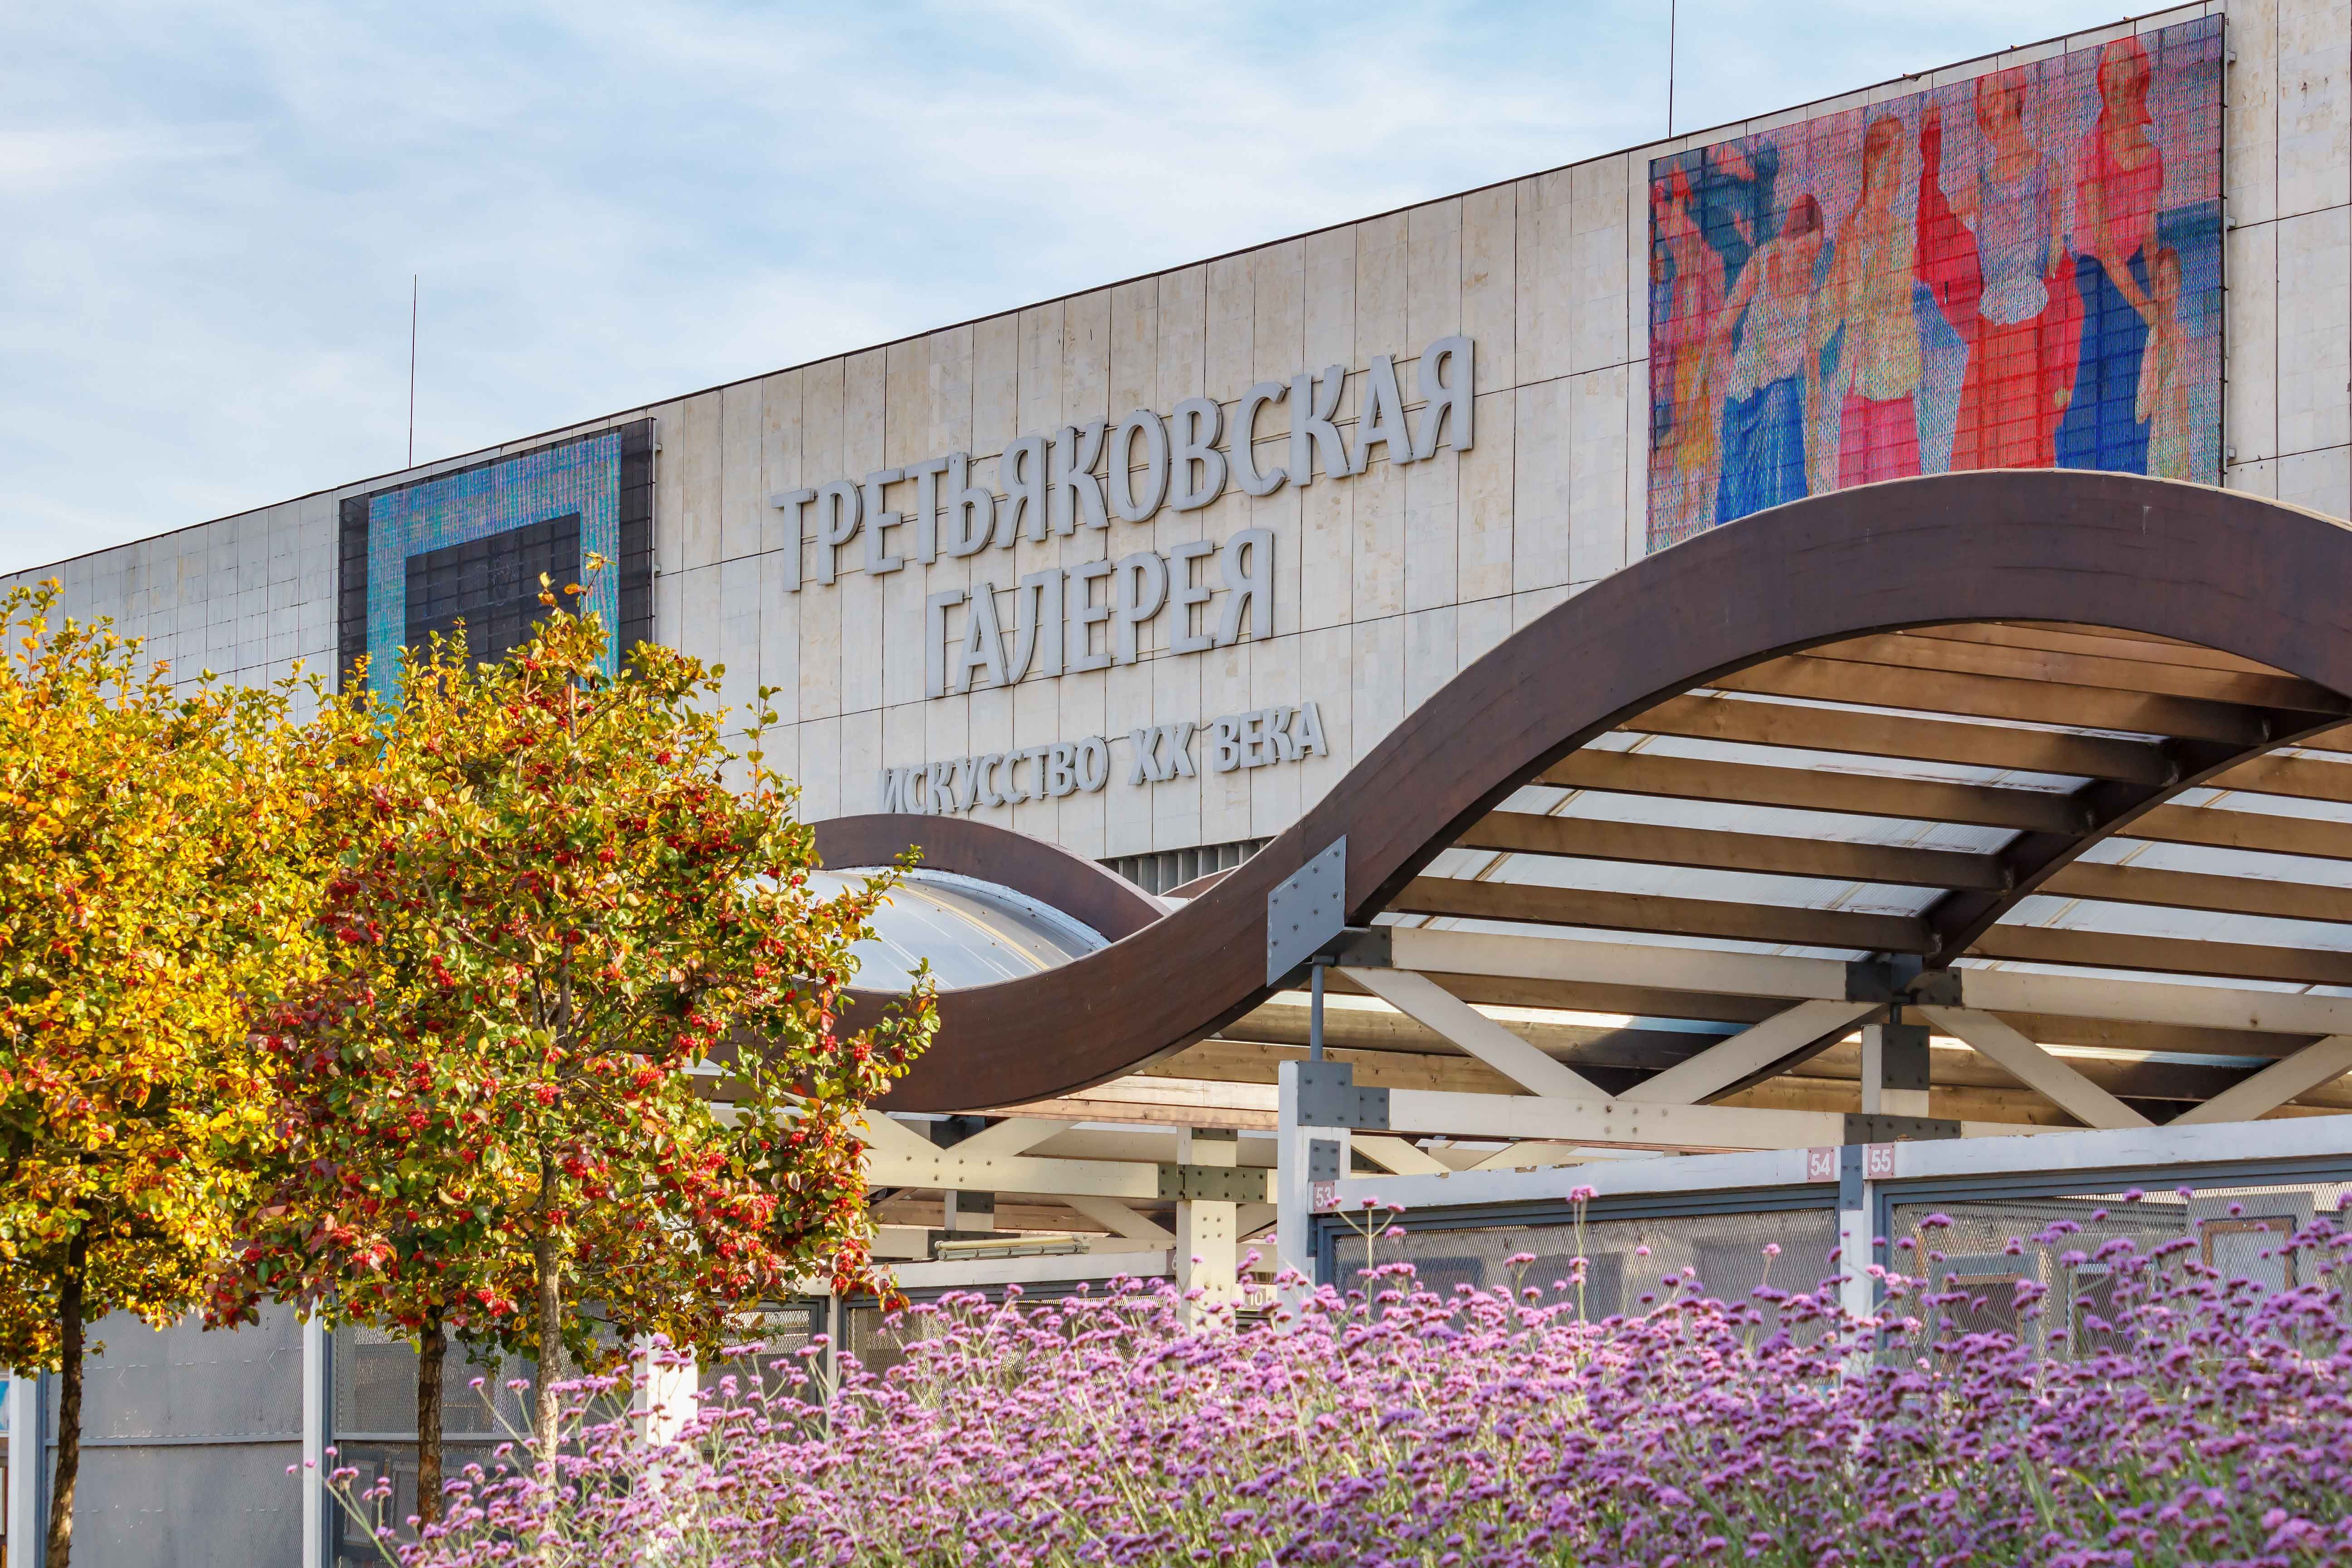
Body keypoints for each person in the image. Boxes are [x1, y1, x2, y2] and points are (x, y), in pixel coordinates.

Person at [1943, 68, 2082, 469]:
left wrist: (2060, 365)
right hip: (1992, 324)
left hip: (2030, 321)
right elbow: (1944, 228)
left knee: (2024, 445)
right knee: (1984, 447)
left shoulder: (2047, 172)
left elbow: (2057, 266)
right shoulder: (1979, 183)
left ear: (2015, 96)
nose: (1989, 107)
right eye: (1983, 99)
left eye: (1995, 95)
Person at [2056, 34, 2165, 473]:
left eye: (2127, 80)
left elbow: (2151, 237)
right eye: (2112, 81)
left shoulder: (2153, 158)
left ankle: (2130, 473)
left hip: (2133, 274)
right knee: (2090, 382)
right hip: (2094, 279)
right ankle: (2077, 476)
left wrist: (2160, 304)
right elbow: (2102, 243)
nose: (2119, 91)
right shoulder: (2094, 147)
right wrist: (2146, 306)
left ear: (2139, 83)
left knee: (2133, 384)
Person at [1818, 115, 1928, 488]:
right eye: (1892, 160)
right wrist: (1809, 335)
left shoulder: (1900, 232)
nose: (1897, 174)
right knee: (1855, 485)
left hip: (1891, 375)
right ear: (1873, 162)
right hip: (1857, 379)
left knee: (1895, 484)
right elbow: (1833, 301)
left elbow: (1890, 298)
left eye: (1900, 162)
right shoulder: (1850, 231)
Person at [1712, 195, 1825, 522]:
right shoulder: (1765, 261)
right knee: (1741, 496)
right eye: (1805, 251)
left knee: (1780, 489)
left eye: (1814, 254)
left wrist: (1815, 421)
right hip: (1745, 391)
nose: (1808, 260)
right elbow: (1725, 322)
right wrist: (1721, 376)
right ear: (1792, 238)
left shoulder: (1812, 290)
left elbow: (1811, 359)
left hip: (1777, 396)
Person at [1650, 164, 1727, 540]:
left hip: (1703, 352)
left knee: (1701, 422)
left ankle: (1698, 500)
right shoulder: (1690, 261)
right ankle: (1691, 499)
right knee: (1690, 423)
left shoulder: (1701, 255)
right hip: (1691, 351)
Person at [2138, 245, 2195, 479]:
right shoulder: (2154, 337)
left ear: (2179, 285)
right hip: (2159, 441)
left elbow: (2194, 394)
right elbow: (2142, 409)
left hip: (2183, 440)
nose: (2166, 290)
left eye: (2171, 281)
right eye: (2161, 282)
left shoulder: (2189, 338)